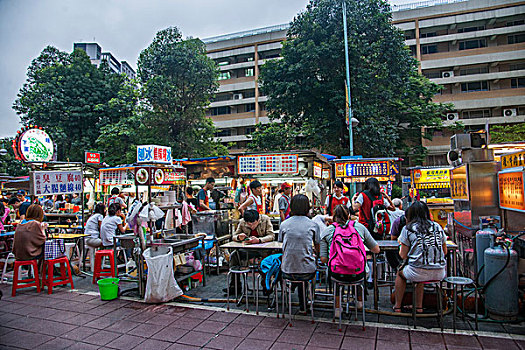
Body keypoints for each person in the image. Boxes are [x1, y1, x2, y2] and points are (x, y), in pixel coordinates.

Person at [319, 204, 379, 311]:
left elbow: (323, 259)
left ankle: (337, 307)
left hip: (337, 274)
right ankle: (359, 302)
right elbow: (376, 249)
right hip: (358, 273)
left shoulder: (327, 231)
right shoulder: (359, 227)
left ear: (333, 216)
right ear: (349, 215)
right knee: (361, 269)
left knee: (336, 272)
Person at [393, 201, 447, 313]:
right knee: (420, 274)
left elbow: (402, 255)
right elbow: (445, 251)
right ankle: (419, 307)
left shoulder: (408, 229)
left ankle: (397, 306)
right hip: (440, 272)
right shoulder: (437, 226)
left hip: (416, 271)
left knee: (400, 273)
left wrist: (401, 245)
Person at [279, 194, 320, 313]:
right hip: (307, 271)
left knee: (295, 267)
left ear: (291, 207)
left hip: (287, 269)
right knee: (305, 270)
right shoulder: (313, 224)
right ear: (308, 208)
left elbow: (281, 242)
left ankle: (289, 298)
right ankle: (305, 303)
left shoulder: (284, 224)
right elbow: (317, 247)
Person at [226, 210, 275, 293]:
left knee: (266, 261)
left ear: (258, 220)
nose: (251, 226)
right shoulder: (242, 222)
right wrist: (238, 237)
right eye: (249, 224)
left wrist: (259, 240)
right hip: (248, 249)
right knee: (234, 255)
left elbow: (271, 235)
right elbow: (234, 236)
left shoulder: (265, 219)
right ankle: (235, 285)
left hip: (264, 249)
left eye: (253, 224)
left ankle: (266, 285)